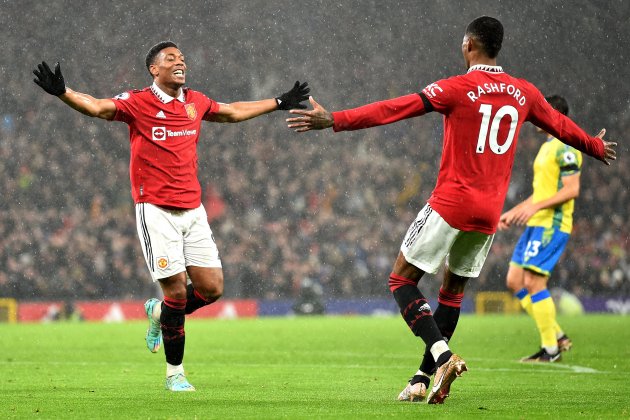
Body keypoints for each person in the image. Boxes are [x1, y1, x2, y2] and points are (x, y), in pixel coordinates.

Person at [286, 16, 616, 404]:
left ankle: (442, 356)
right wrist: (593, 146)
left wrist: (336, 119)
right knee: (452, 293)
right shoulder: (523, 92)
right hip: (489, 213)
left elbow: (397, 108)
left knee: (401, 280)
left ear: (469, 45)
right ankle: (421, 379)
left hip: (452, 201)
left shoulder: (456, 88)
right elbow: (561, 125)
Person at [33, 41, 309, 392]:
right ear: (154, 69)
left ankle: (158, 313)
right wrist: (64, 93)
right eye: (171, 59)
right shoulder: (138, 102)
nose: (180, 62)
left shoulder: (195, 101)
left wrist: (279, 102)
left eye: (182, 58)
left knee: (211, 289)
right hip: (156, 211)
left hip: (193, 210)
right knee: (177, 293)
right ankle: (174, 372)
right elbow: (100, 107)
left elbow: (232, 111)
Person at [499, 95, 580, 362]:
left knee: (534, 282)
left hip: (552, 224)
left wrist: (535, 208)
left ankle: (550, 350)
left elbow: (572, 189)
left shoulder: (566, 145)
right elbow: (541, 193)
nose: (536, 113)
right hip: (536, 222)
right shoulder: (547, 146)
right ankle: (556, 334)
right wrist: (516, 211)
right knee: (514, 280)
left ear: (554, 114)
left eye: (542, 109)